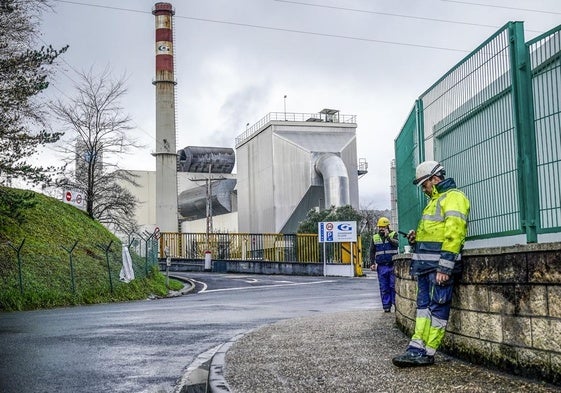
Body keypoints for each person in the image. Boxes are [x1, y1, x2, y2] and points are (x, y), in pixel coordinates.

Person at [392, 160, 470, 367]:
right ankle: (415, 348)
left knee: (437, 308)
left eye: (424, 184)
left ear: (434, 179)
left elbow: (455, 234)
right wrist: (415, 238)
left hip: (439, 268)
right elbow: (437, 233)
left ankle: (428, 352)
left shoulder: (454, 198)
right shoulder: (435, 201)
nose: (424, 189)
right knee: (424, 308)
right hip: (426, 268)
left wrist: (445, 267)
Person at [369, 217, 398, 312]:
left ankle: (395, 305)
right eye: (380, 227)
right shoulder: (375, 237)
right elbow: (372, 251)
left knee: (393, 286)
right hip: (381, 266)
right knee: (384, 287)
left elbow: (397, 244)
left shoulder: (394, 234)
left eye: (383, 227)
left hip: (392, 265)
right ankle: (386, 306)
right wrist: (372, 263)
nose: (381, 229)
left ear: (387, 226)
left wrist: (388, 238)